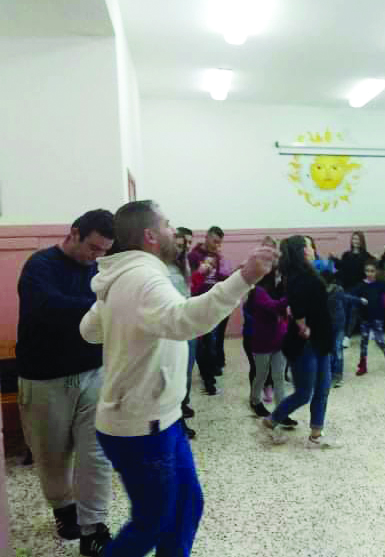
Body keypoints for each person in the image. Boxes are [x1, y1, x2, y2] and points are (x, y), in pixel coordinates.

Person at [80, 200, 274, 556]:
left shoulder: (124, 275)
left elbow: (89, 329)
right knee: (153, 522)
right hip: (141, 426)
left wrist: (118, 316)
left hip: (162, 418)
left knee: (186, 506)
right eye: (167, 224)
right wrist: (244, 278)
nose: (174, 231)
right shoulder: (142, 277)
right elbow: (186, 321)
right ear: (150, 235)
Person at [16, 209, 115, 556]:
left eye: (104, 251)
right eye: (93, 247)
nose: (96, 256)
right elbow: (49, 308)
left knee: (97, 453)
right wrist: (102, 307)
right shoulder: (39, 266)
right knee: (52, 457)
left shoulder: (99, 270)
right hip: (44, 378)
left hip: (93, 373)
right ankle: (63, 508)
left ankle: (94, 528)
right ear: (74, 233)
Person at [262, 236, 335, 448]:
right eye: (310, 246)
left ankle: (316, 435)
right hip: (305, 344)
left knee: (323, 388)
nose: (313, 249)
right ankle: (270, 421)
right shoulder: (298, 277)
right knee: (304, 393)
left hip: (321, 340)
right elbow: (297, 307)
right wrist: (303, 326)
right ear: (303, 251)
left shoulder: (308, 273)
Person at [246, 239, 295, 424]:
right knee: (261, 374)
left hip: (279, 338)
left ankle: (281, 412)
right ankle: (255, 400)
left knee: (279, 377)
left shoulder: (281, 285)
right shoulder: (257, 290)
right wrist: (291, 296)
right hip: (262, 341)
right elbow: (272, 306)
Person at [188, 226, 232, 394]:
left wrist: (229, 271)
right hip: (198, 303)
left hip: (215, 303)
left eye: (220, 242)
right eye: (215, 241)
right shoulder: (193, 256)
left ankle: (210, 373)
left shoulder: (218, 256)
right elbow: (189, 280)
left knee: (212, 340)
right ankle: (208, 379)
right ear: (206, 237)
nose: (217, 245)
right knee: (202, 343)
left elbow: (222, 278)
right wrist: (202, 270)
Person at [169, 230, 197, 440]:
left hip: (187, 325)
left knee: (186, 374)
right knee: (174, 376)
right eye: (176, 245)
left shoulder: (182, 264)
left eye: (181, 246)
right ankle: (177, 421)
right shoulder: (158, 267)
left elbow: (188, 293)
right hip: (171, 328)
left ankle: (182, 408)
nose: (178, 250)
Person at [353, 259, 385, 375]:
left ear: (376, 272)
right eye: (367, 271)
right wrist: (359, 300)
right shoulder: (360, 286)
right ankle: (363, 365)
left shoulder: (380, 285)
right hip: (364, 318)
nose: (369, 273)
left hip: (377, 317)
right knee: (363, 342)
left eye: (372, 271)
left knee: (379, 340)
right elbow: (353, 297)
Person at [322, 270, 365, 388]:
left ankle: (338, 375)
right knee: (330, 350)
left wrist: (359, 300)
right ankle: (330, 373)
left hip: (339, 325)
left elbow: (347, 297)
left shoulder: (338, 290)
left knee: (337, 350)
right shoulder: (319, 291)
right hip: (327, 326)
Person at [331, 231, 373, 346]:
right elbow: (341, 267)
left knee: (354, 309)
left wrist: (384, 256)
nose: (356, 241)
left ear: (362, 241)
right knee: (343, 309)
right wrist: (334, 259)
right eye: (354, 239)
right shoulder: (346, 255)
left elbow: (374, 265)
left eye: (358, 239)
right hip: (346, 287)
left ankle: (347, 337)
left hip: (359, 288)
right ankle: (341, 335)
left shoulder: (366, 256)